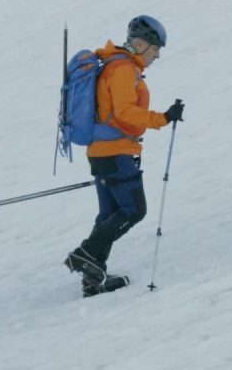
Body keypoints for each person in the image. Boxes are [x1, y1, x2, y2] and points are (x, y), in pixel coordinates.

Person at [61, 16, 180, 296]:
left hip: (103, 152)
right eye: (155, 49)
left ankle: (93, 278)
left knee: (110, 214)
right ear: (139, 44)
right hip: (115, 152)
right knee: (134, 210)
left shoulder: (116, 66)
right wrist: (162, 118)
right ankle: (86, 254)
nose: (157, 55)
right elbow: (124, 112)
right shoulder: (123, 69)